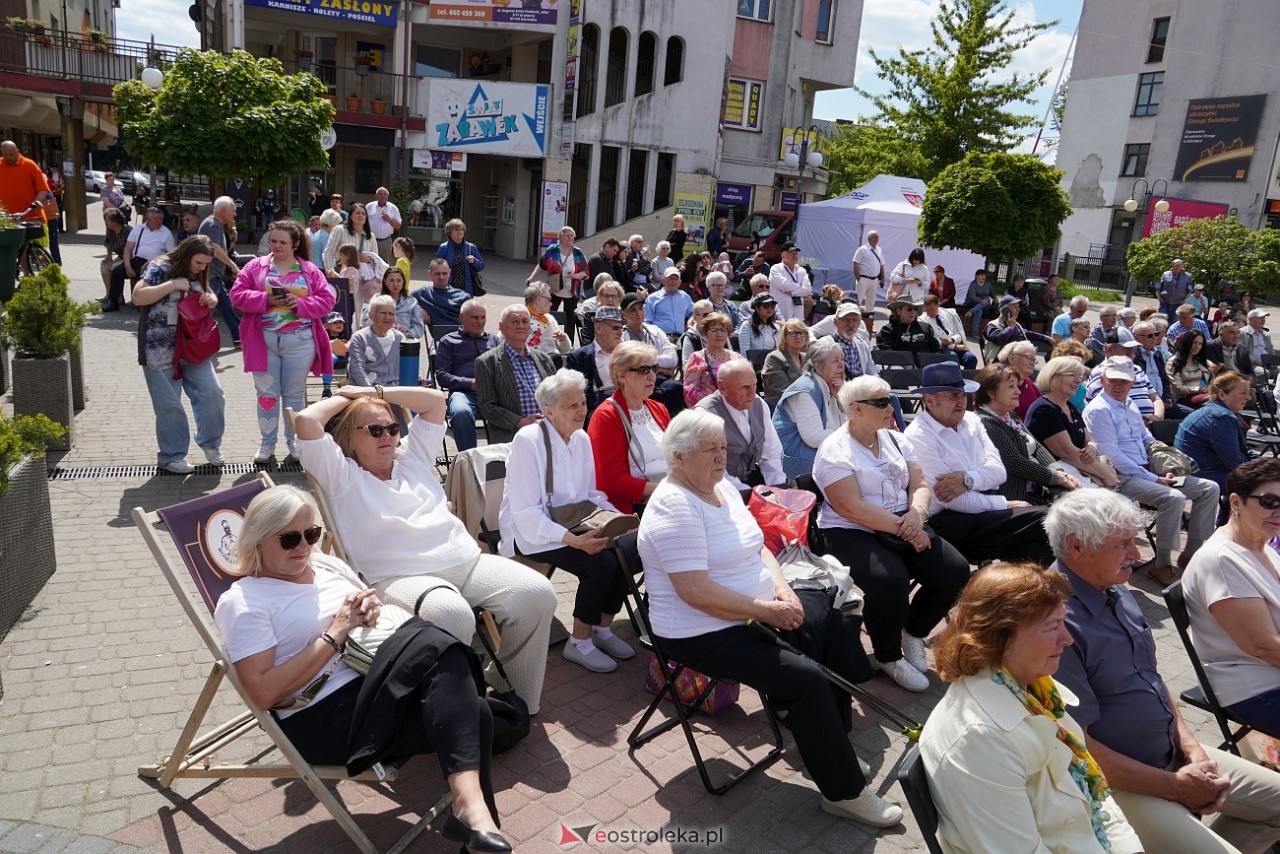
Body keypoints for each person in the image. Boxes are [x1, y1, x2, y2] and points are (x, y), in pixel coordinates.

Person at [637, 408, 903, 828]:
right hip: (701, 629)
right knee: (806, 678)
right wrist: (768, 610)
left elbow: (760, 547)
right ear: (679, 458)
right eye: (709, 450)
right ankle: (844, 793)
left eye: (723, 447)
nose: (721, 457)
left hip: (753, 609)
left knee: (834, 624)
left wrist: (783, 591)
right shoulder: (675, 506)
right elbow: (696, 592)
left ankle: (830, 751)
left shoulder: (719, 485)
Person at [212, 485, 509, 853]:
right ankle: (474, 813)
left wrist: (369, 611)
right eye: (289, 539)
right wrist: (336, 631)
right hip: (325, 717)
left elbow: (371, 609)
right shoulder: (245, 602)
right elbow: (263, 692)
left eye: (311, 534)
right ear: (257, 540)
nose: (304, 547)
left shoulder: (324, 565)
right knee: (448, 664)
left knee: (468, 698)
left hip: (373, 679)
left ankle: (473, 819)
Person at [293, 386, 558, 717]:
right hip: (401, 577)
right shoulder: (340, 475)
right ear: (349, 437)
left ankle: (514, 692)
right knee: (451, 614)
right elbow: (305, 421)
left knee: (537, 593)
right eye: (374, 430)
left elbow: (434, 402)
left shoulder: (410, 457)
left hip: (466, 562)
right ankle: (456, 708)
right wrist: (349, 399)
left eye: (391, 428)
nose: (387, 436)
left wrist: (375, 391)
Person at [1047, 489, 1280, 854]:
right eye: (1123, 544)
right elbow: (1078, 748)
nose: (1136, 555)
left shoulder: (1115, 590)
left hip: (1171, 751)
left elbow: (1150, 678)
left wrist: (1193, 751)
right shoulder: (1054, 623)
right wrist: (1178, 787)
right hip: (1114, 781)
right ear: (1077, 547)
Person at [920, 561, 1142, 854]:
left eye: (1064, 621)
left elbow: (1090, 793)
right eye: (1052, 626)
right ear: (1000, 637)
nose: (1067, 639)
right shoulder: (981, 740)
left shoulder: (1036, 689)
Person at [815, 374, 970, 692]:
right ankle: (887, 656)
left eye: (892, 400)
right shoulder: (834, 451)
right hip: (851, 530)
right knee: (890, 580)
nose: (891, 407)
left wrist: (917, 513)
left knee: (955, 571)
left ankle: (913, 630)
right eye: (882, 401)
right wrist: (910, 531)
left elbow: (920, 485)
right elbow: (851, 508)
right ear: (856, 409)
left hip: (905, 521)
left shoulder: (896, 438)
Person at [500, 370, 634, 673]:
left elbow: (591, 494)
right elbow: (524, 513)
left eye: (583, 402)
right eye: (571, 405)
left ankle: (602, 628)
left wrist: (618, 518)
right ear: (548, 411)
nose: (581, 410)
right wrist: (574, 541)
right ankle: (580, 642)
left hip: (576, 522)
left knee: (626, 550)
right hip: (534, 532)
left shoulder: (581, 437)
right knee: (600, 564)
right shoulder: (529, 440)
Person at [1082, 356, 1219, 586]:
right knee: (1173, 498)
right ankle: (1162, 564)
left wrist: (1165, 466)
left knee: (1209, 488)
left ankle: (1191, 552)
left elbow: (1146, 438)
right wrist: (1155, 478)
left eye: (1123, 381)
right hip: (1123, 477)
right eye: (1113, 380)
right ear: (1103, 380)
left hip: (1150, 472)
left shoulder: (1129, 404)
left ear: (1132, 382)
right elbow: (1112, 456)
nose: (1118, 385)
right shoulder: (1099, 410)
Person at [903, 362, 1055, 566]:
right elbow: (950, 500)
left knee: (1038, 551)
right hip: (947, 521)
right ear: (929, 401)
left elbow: (999, 472)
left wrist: (967, 480)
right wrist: (1002, 503)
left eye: (963, 395)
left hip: (984, 513)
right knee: (1049, 517)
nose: (961, 402)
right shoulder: (918, 436)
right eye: (953, 396)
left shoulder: (972, 421)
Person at [1183, 457, 1280, 733]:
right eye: (1270, 502)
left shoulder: (1262, 547)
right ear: (1236, 502)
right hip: (1253, 687)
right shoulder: (1222, 561)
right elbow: (1262, 646)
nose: (1278, 511)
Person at [230, 219, 335, 463]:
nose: (276, 246)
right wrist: (266, 299)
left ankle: (295, 442)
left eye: (282, 242)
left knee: (294, 396)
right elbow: (236, 295)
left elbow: (327, 302)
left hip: (300, 342)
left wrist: (299, 304)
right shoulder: (255, 267)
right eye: (273, 241)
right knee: (266, 394)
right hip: (263, 341)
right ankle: (267, 444)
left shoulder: (309, 270)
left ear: (295, 244)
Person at [132, 235, 226, 474]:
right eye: (199, 263)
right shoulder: (160, 266)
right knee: (169, 405)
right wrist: (173, 285)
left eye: (206, 264)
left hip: (193, 346)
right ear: (186, 255)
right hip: (159, 348)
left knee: (212, 394)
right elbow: (138, 296)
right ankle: (171, 455)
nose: (202, 267)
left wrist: (210, 298)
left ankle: (210, 443)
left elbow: (208, 293)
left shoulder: (199, 270)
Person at [974, 364, 1081, 503]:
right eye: (1011, 386)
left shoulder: (1010, 415)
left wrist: (1059, 471)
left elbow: (1037, 446)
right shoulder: (986, 422)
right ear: (991, 392)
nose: (1018, 391)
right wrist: (1057, 478)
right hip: (1014, 498)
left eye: (1017, 386)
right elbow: (1014, 462)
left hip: (1037, 487)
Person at [586, 341, 671, 513]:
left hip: (668, 495)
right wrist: (667, 491)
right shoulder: (606, 416)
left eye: (654, 368)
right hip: (637, 507)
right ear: (621, 375)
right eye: (643, 370)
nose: (652, 377)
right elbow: (614, 480)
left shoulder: (658, 409)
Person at [1025, 356, 1121, 489]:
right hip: (1062, 476)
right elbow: (1068, 453)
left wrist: (1091, 448)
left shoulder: (1069, 406)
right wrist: (1106, 475)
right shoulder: (1043, 409)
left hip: (1084, 469)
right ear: (1053, 376)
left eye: (1080, 377)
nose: (1078, 381)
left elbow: (1089, 439)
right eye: (1072, 375)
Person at [695, 359, 785, 492]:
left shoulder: (759, 404)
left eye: (754, 385)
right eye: (744, 387)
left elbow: (771, 454)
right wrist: (748, 494)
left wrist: (778, 489)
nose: (752, 392)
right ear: (722, 387)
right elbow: (712, 471)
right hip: (716, 489)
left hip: (749, 480)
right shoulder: (704, 415)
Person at [475, 304, 557, 444]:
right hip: (512, 436)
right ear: (502, 327)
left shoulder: (544, 360)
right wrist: (520, 422)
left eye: (525, 321)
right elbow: (487, 406)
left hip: (548, 432)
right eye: (514, 321)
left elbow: (557, 396)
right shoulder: (487, 362)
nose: (520, 326)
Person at [1174, 371, 1252, 508]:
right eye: (1243, 393)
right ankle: (1236, 526)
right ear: (1222, 395)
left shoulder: (1217, 411)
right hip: (1201, 474)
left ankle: (1225, 521)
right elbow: (1234, 462)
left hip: (1203, 469)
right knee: (1261, 483)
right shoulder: (1220, 417)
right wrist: (1258, 466)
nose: (1248, 397)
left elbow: (1239, 453)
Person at [773, 338, 847, 480]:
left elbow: (847, 420)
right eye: (835, 361)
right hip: (799, 462)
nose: (841, 365)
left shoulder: (833, 385)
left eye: (842, 359)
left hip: (826, 454)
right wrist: (850, 435)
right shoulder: (805, 391)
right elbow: (814, 437)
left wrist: (841, 396)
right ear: (818, 366)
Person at [435, 300, 498, 452]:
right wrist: (470, 383)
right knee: (461, 413)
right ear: (462, 318)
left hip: (494, 394)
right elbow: (442, 376)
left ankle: (503, 460)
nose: (480, 322)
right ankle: (469, 460)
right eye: (474, 317)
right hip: (464, 393)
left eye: (482, 317)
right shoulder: (448, 341)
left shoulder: (494, 340)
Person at [620, 293, 683, 412]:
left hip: (658, 380)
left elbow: (672, 359)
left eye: (640, 308)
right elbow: (631, 363)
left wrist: (645, 364)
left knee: (676, 388)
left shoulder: (655, 331)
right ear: (623, 314)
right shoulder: (622, 337)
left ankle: (672, 426)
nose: (638, 313)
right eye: (633, 310)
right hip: (636, 381)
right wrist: (660, 368)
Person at [529, 227, 590, 343]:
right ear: (561, 237)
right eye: (568, 235)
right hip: (554, 290)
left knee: (570, 318)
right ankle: (546, 340)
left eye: (572, 235)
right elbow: (542, 265)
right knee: (549, 315)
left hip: (572, 291)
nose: (570, 238)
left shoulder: (578, 252)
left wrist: (576, 276)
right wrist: (532, 277)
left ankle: (568, 343)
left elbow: (586, 271)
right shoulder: (553, 250)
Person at [197, 196, 244, 345]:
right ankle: (197, 341)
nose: (234, 214)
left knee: (227, 306)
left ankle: (238, 336)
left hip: (214, 274)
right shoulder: (213, 225)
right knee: (207, 310)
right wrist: (233, 265)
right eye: (233, 211)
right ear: (223, 211)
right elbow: (215, 249)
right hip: (210, 275)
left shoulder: (214, 224)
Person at [566, 306, 626, 413]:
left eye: (621, 328)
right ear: (598, 328)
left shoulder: (628, 354)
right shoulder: (579, 357)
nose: (620, 332)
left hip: (628, 407)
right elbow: (571, 394)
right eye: (615, 328)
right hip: (597, 411)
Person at [112, 207, 175, 308]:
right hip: (137, 261)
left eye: (160, 219)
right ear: (148, 219)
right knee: (117, 271)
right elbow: (128, 249)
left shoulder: (166, 233)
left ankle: (145, 302)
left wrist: (156, 261)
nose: (158, 221)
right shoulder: (138, 229)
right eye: (155, 218)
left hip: (154, 264)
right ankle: (113, 302)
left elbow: (170, 254)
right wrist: (127, 265)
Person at [682, 313, 743, 408]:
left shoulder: (737, 358)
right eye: (714, 330)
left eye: (723, 330)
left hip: (736, 409)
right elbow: (690, 393)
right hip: (709, 412)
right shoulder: (697, 358)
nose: (719, 334)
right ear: (705, 334)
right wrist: (713, 406)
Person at [347, 295, 403, 389]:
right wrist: (372, 393)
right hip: (365, 391)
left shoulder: (400, 338)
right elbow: (357, 369)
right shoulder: (359, 338)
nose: (388, 317)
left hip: (393, 392)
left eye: (391, 314)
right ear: (371, 315)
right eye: (383, 313)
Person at [984, 298, 1050, 364]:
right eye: (1015, 307)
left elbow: (1027, 333)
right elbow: (998, 340)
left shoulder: (1016, 325)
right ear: (1004, 310)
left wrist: (1046, 338)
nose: (1018, 309)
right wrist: (1010, 328)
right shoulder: (992, 326)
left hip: (1018, 365)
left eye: (1018, 307)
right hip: (999, 367)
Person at [921, 294, 977, 368]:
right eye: (927, 310)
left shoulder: (950, 314)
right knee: (952, 357)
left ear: (938, 305)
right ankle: (955, 379)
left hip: (955, 344)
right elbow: (932, 340)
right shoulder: (923, 320)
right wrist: (954, 347)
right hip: (939, 349)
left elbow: (959, 333)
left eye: (932, 309)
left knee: (971, 358)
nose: (930, 312)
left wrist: (952, 340)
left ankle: (968, 378)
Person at [322, 203, 379, 274]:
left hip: (364, 278)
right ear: (351, 216)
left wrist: (368, 260)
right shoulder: (340, 230)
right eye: (357, 213)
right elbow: (328, 253)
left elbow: (376, 261)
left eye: (363, 214)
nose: (360, 215)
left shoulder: (370, 236)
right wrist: (331, 272)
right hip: (343, 275)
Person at [413, 258, 469, 327]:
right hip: (439, 336)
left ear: (449, 273)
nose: (441, 277)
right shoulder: (423, 294)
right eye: (437, 274)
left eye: (444, 273)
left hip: (461, 336)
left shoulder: (463, 297)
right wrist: (418, 309)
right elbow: (402, 300)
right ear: (430, 273)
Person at [435, 218, 483, 297]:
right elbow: (436, 267)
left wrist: (474, 261)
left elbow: (481, 266)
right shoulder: (444, 248)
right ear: (450, 233)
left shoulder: (471, 247)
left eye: (461, 229)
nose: (459, 232)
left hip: (466, 289)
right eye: (456, 230)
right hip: (449, 289)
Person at [996, 340, 1044, 420]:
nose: (1033, 363)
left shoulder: (1028, 383)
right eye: (1029, 357)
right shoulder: (999, 381)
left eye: (1034, 360)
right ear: (1011, 359)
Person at [1166, 330, 1213, 410]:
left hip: (1206, 393)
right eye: (1194, 342)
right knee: (1212, 399)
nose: (1197, 346)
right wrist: (1198, 389)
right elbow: (1178, 388)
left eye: (1200, 344)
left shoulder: (1203, 362)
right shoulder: (1173, 362)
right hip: (1184, 397)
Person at [763, 318, 810, 398]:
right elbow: (781, 391)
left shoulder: (807, 358)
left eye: (802, 333)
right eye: (793, 333)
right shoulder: (774, 358)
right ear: (784, 336)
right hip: (786, 405)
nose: (798, 336)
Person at [644, 267, 695, 337]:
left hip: (681, 338)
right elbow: (647, 321)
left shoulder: (684, 297)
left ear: (680, 282)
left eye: (676, 279)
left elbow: (694, 312)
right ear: (663, 280)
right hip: (660, 338)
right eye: (671, 278)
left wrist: (689, 323)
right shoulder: (653, 298)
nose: (673, 281)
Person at [768, 241, 810, 322]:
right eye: (791, 253)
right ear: (782, 255)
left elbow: (807, 289)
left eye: (795, 253)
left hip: (798, 317)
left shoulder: (800, 270)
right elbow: (785, 286)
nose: (794, 256)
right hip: (781, 316)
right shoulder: (776, 268)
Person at [851, 230, 886, 328]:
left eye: (877, 237)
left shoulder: (879, 250)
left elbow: (881, 264)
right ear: (869, 238)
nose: (876, 239)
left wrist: (882, 277)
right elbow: (855, 264)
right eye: (874, 237)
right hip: (864, 278)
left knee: (871, 303)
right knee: (857, 301)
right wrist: (859, 279)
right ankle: (854, 323)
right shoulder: (862, 249)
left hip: (874, 280)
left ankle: (868, 325)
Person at [99, 207, 130, 308]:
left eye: (107, 219)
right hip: (120, 257)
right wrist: (108, 256)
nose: (105, 222)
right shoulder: (110, 230)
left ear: (115, 220)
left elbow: (130, 249)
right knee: (104, 266)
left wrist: (125, 261)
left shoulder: (128, 231)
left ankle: (117, 297)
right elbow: (108, 243)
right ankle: (109, 294)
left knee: (115, 268)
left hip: (129, 258)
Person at [365, 187, 401, 265]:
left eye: (384, 194)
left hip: (385, 241)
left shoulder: (393, 208)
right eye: (380, 194)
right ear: (376, 196)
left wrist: (389, 219)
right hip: (371, 240)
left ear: (387, 196)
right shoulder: (369, 207)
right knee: (369, 263)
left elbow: (398, 225)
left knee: (384, 264)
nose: (382, 196)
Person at [961, 269, 995, 338]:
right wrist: (981, 301)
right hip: (972, 304)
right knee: (979, 310)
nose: (983, 277)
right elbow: (972, 296)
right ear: (977, 276)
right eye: (981, 275)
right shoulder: (973, 285)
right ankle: (975, 332)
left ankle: (971, 311)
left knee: (987, 300)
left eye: (984, 275)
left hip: (984, 305)